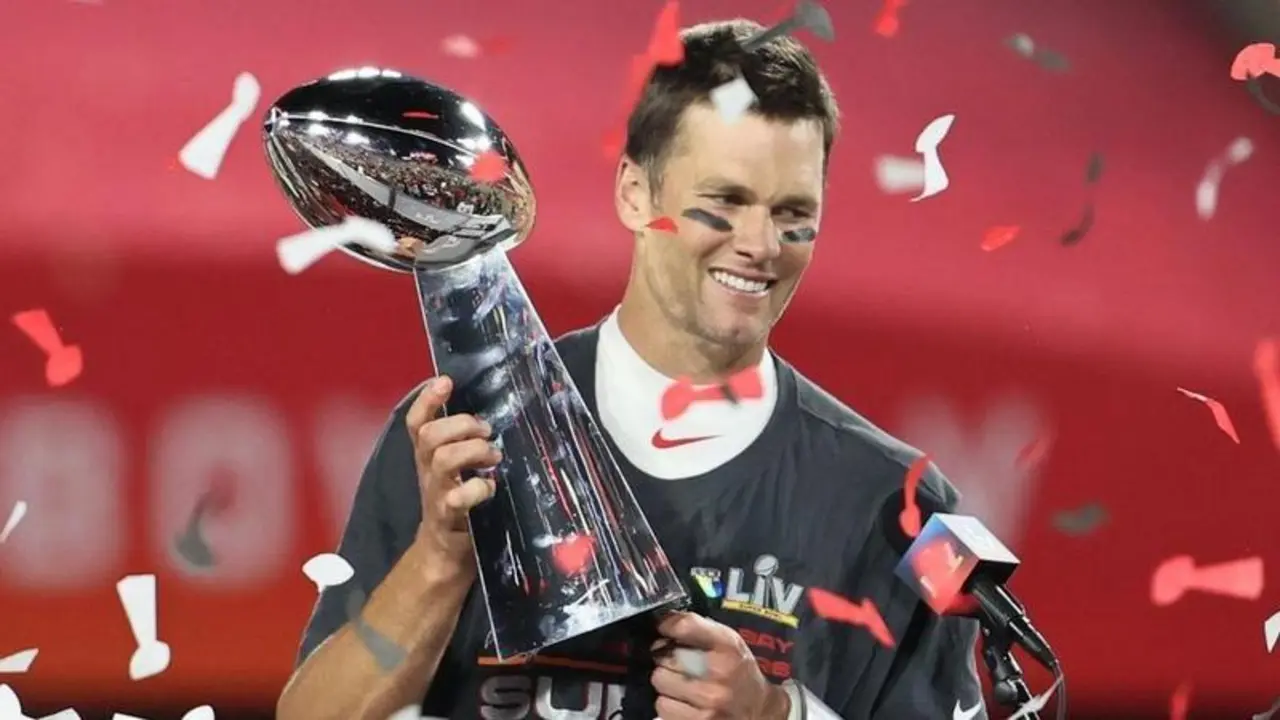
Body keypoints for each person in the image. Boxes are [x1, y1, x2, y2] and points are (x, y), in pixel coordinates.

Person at [276, 17, 986, 720]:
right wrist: (440, 559)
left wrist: (774, 715)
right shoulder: (461, 437)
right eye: (724, 203)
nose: (760, 244)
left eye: (793, 213)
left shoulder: (895, 509)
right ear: (635, 195)